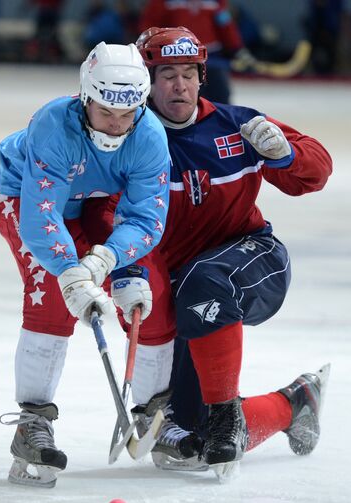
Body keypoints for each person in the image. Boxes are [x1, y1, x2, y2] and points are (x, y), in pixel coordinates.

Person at [81, 26, 332, 476]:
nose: (179, 85)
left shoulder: (236, 125)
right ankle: (293, 404)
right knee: (187, 443)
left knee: (204, 281)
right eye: (166, 75)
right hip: (183, 292)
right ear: (146, 83)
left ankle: (223, 417)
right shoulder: (131, 141)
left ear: (202, 78)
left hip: (255, 259)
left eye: (189, 74)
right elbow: (106, 215)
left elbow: (316, 172)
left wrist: (285, 154)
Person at [0, 41, 170, 487]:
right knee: (53, 298)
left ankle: (156, 413)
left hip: (94, 199)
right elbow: (41, 213)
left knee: (150, 288)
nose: (116, 123)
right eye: (106, 110)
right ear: (85, 96)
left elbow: (146, 215)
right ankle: (32, 424)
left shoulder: (149, 135)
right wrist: (71, 273)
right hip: (26, 197)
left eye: (128, 113)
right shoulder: (54, 124)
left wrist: (115, 260)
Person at [138, 0, 254, 104]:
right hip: (175, 58)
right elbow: (149, 26)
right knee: (181, 96)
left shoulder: (216, 2)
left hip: (212, 56)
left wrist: (237, 49)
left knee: (221, 97)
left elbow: (225, 24)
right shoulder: (162, 2)